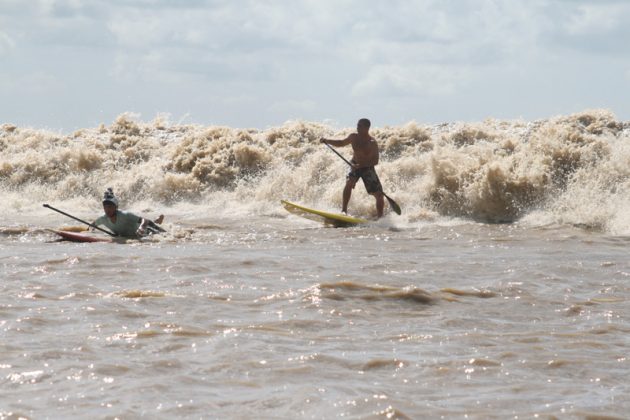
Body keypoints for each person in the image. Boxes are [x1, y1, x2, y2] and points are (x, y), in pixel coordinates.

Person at [320, 118, 385, 218]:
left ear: (366, 128)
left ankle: (380, 217)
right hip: (354, 165)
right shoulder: (353, 137)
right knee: (349, 182)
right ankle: (344, 211)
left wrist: (361, 166)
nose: (357, 127)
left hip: (367, 168)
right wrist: (327, 140)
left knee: (379, 195)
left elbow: (375, 161)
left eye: (360, 126)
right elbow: (341, 143)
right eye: (357, 125)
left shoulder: (372, 142)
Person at [93, 188, 165, 237]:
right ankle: (157, 220)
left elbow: (145, 220)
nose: (107, 210)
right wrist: (85, 230)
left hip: (146, 232)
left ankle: (158, 220)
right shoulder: (103, 219)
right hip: (128, 235)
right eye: (105, 207)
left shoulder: (125, 215)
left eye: (110, 207)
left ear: (116, 207)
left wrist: (142, 228)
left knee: (163, 233)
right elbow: (92, 225)